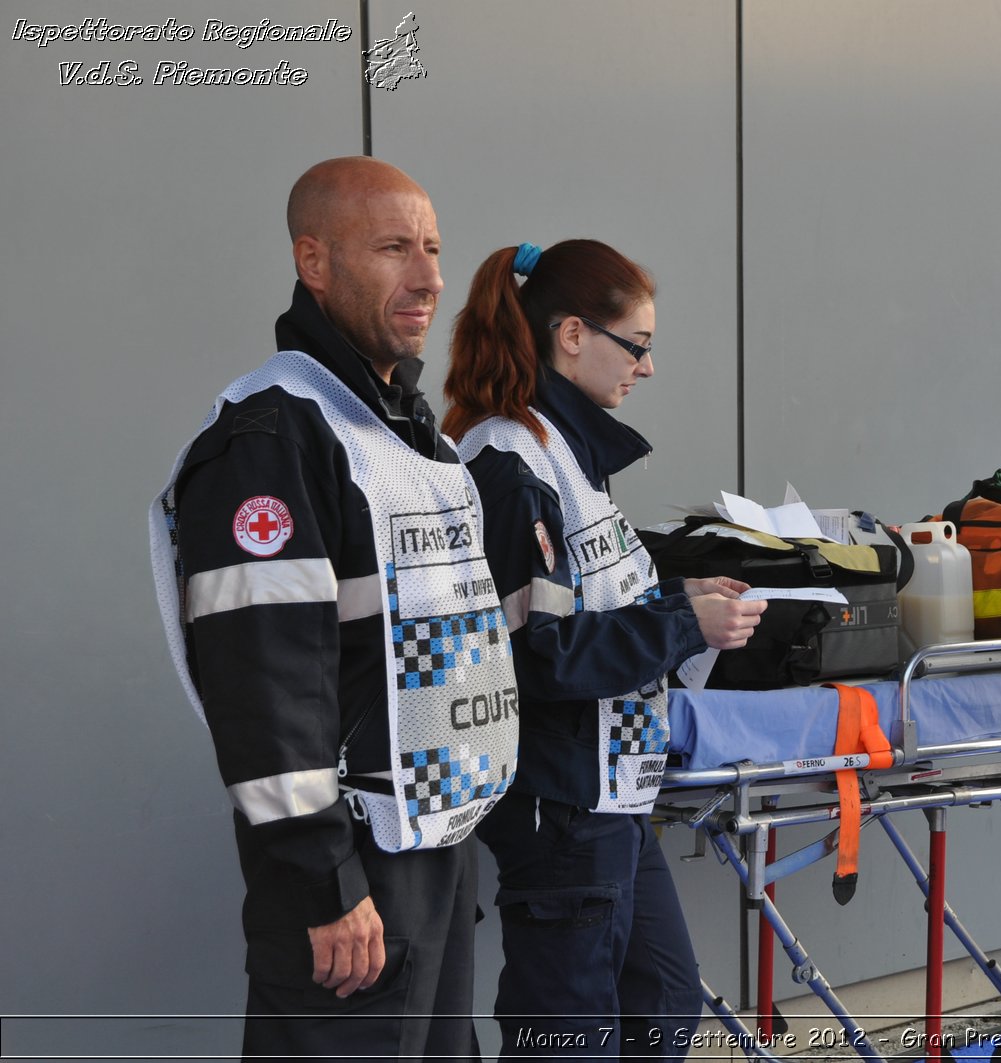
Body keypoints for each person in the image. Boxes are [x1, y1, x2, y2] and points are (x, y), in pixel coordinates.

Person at [150, 156, 519, 1060]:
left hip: (429, 854)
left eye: (432, 248)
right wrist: (323, 879)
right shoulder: (273, 434)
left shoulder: (398, 426)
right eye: (394, 248)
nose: (430, 276)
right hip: (349, 877)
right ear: (313, 262)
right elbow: (264, 683)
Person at [442, 239, 767, 1060]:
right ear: (573, 334)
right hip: (564, 806)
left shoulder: (567, 451)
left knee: (662, 1001)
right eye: (640, 345)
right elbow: (537, 655)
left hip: (613, 796)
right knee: (570, 1037)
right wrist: (687, 626)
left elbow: (599, 601)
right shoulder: (512, 461)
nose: (648, 369)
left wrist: (681, 600)